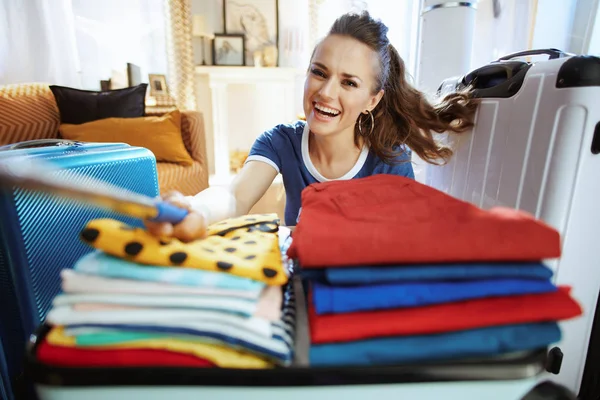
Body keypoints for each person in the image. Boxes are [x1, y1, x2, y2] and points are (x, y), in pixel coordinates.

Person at [146, 10, 478, 241]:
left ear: (372, 100)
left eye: (349, 83)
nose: (326, 92)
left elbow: (404, 240)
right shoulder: (280, 142)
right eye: (319, 72)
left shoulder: (390, 161)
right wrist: (194, 208)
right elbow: (235, 197)